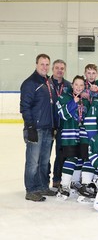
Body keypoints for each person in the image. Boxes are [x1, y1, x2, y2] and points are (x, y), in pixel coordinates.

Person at [20, 53, 57, 201]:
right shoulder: (30, 83)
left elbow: (51, 105)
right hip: (35, 128)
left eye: (47, 64)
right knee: (32, 162)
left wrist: (54, 125)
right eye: (42, 64)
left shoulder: (49, 82)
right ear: (36, 64)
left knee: (44, 161)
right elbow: (25, 107)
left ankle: (42, 186)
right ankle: (31, 190)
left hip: (48, 128)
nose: (45, 67)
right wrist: (30, 127)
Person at [55, 75, 91, 200]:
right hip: (69, 133)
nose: (79, 87)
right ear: (72, 85)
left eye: (81, 85)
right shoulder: (64, 97)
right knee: (71, 158)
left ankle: (74, 183)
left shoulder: (86, 100)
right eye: (76, 84)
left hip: (83, 134)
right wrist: (73, 103)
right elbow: (62, 115)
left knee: (81, 158)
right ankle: (64, 185)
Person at [50, 59, 72, 188]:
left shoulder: (68, 86)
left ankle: (58, 179)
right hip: (48, 124)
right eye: (57, 67)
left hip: (63, 126)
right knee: (44, 155)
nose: (59, 70)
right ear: (52, 69)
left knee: (61, 154)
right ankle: (43, 181)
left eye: (62, 68)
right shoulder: (46, 84)